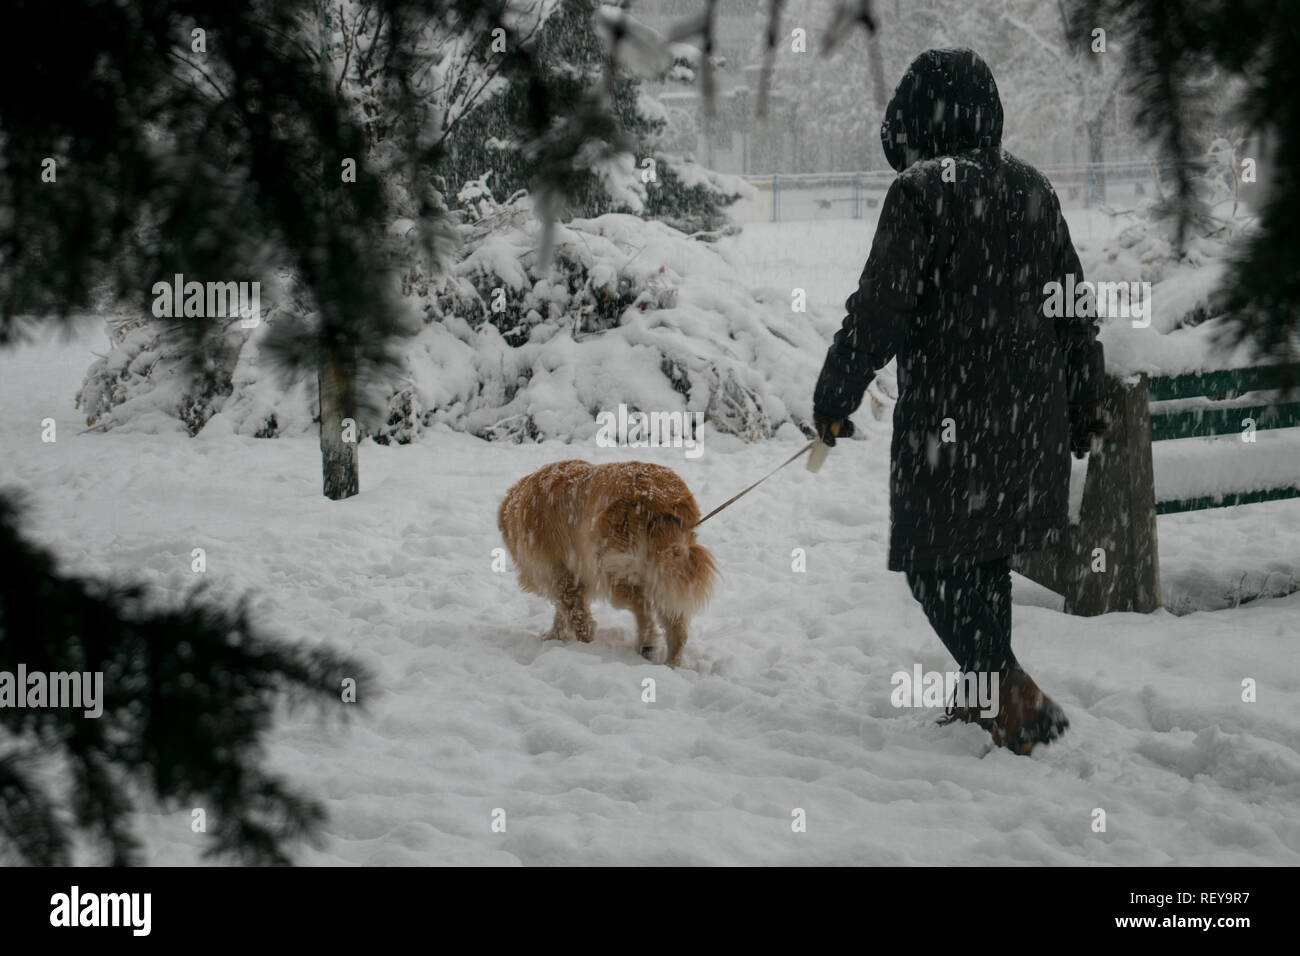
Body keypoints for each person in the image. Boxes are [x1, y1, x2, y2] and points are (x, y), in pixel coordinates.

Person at [811, 48, 1110, 755]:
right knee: (980, 559)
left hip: (949, 424)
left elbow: (880, 310)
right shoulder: (1034, 186)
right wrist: (1085, 399)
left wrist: (835, 392)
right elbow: (1073, 305)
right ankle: (988, 697)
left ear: (917, 118)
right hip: (1026, 423)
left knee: (932, 562)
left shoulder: (919, 192)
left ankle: (1008, 691)